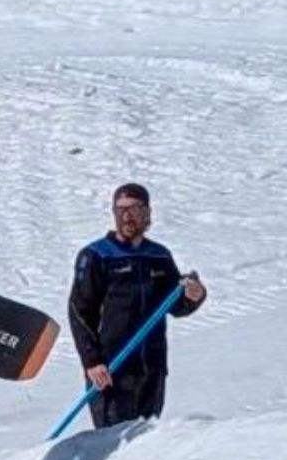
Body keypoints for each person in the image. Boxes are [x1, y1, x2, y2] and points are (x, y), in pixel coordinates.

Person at [67, 183, 207, 428]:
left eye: (134, 208)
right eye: (120, 209)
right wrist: (92, 360)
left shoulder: (159, 256)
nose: (126, 215)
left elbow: (174, 305)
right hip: (112, 368)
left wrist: (194, 296)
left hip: (152, 366)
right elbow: (80, 311)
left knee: (145, 445)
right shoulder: (97, 256)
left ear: (147, 212)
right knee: (113, 444)